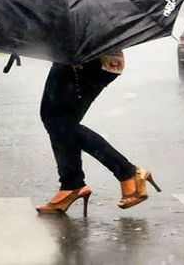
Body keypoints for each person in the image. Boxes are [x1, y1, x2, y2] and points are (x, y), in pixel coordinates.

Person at [35, 49, 161, 215]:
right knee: (55, 121)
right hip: (80, 58)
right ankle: (72, 183)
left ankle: (128, 173)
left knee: (61, 123)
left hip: (84, 59)